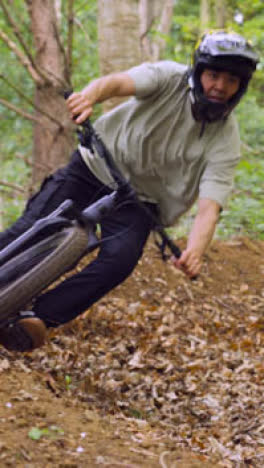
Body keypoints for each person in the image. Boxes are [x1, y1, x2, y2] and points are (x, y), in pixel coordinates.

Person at [0, 31, 258, 352]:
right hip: (94, 166)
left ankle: (32, 320)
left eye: (231, 80)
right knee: (32, 226)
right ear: (199, 71)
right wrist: (89, 96)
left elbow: (210, 204)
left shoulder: (226, 141)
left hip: (141, 203)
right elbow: (119, 82)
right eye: (214, 75)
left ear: (241, 86)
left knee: (118, 261)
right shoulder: (168, 77)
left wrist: (195, 249)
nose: (220, 86)